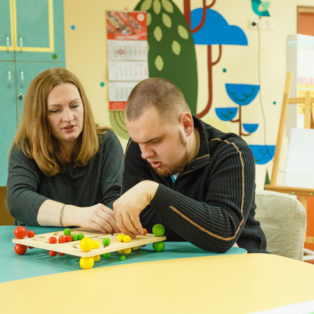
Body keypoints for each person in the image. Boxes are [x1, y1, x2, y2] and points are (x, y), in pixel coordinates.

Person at [113, 78, 267, 253]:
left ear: (186, 125)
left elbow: (223, 234)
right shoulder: (140, 149)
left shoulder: (233, 153)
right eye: (138, 142)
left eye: (155, 141)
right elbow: (132, 221)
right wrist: (202, 225)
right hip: (172, 266)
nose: (144, 154)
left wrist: (152, 192)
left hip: (242, 266)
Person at [7, 67, 123, 233]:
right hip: (41, 247)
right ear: (39, 116)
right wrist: (77, 215)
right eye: (55, 110)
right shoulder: (25, 147)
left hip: (92, 244)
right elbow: (17, 200)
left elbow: (116, 199)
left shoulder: (107, 142)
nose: (68, 117)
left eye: (75, 106)